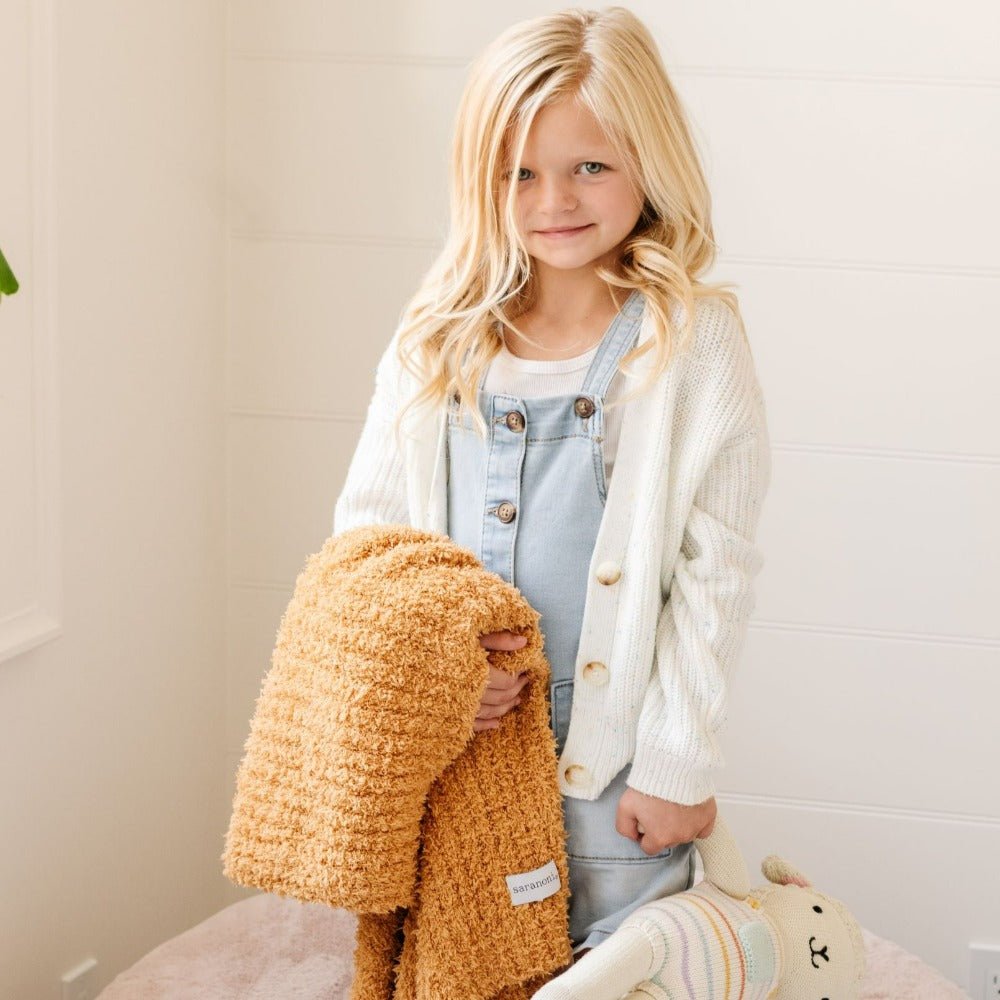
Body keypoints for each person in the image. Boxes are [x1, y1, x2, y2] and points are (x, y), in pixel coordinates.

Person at [332, 6, 772, 963]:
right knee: (455, 971)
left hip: (614, 780)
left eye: (590, 166)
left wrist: (676, 763)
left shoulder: (692, 344)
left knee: (624, 972)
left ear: (648, 161)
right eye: (518, 173)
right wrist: (437, 681)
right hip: (458, 757)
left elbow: (716, 573)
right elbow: (369, 547)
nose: (554, 200)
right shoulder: (436, 338)